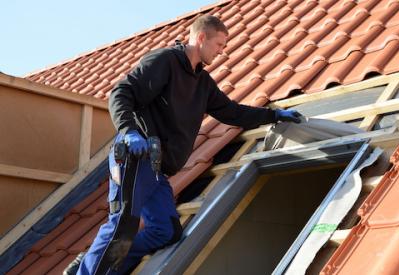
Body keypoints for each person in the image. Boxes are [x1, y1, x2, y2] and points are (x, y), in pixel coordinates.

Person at [64, 14, 302, 275]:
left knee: (165, 232)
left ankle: (96, 265)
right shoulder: (164, 61)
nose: (222, 51)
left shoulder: (202, 83)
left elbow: (232, 112)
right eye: (219, 45)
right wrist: (130, 132)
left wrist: (274, 115)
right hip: (137, 155)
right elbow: (121, 93)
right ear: (201, 38)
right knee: (123, 224)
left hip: (158, 170)